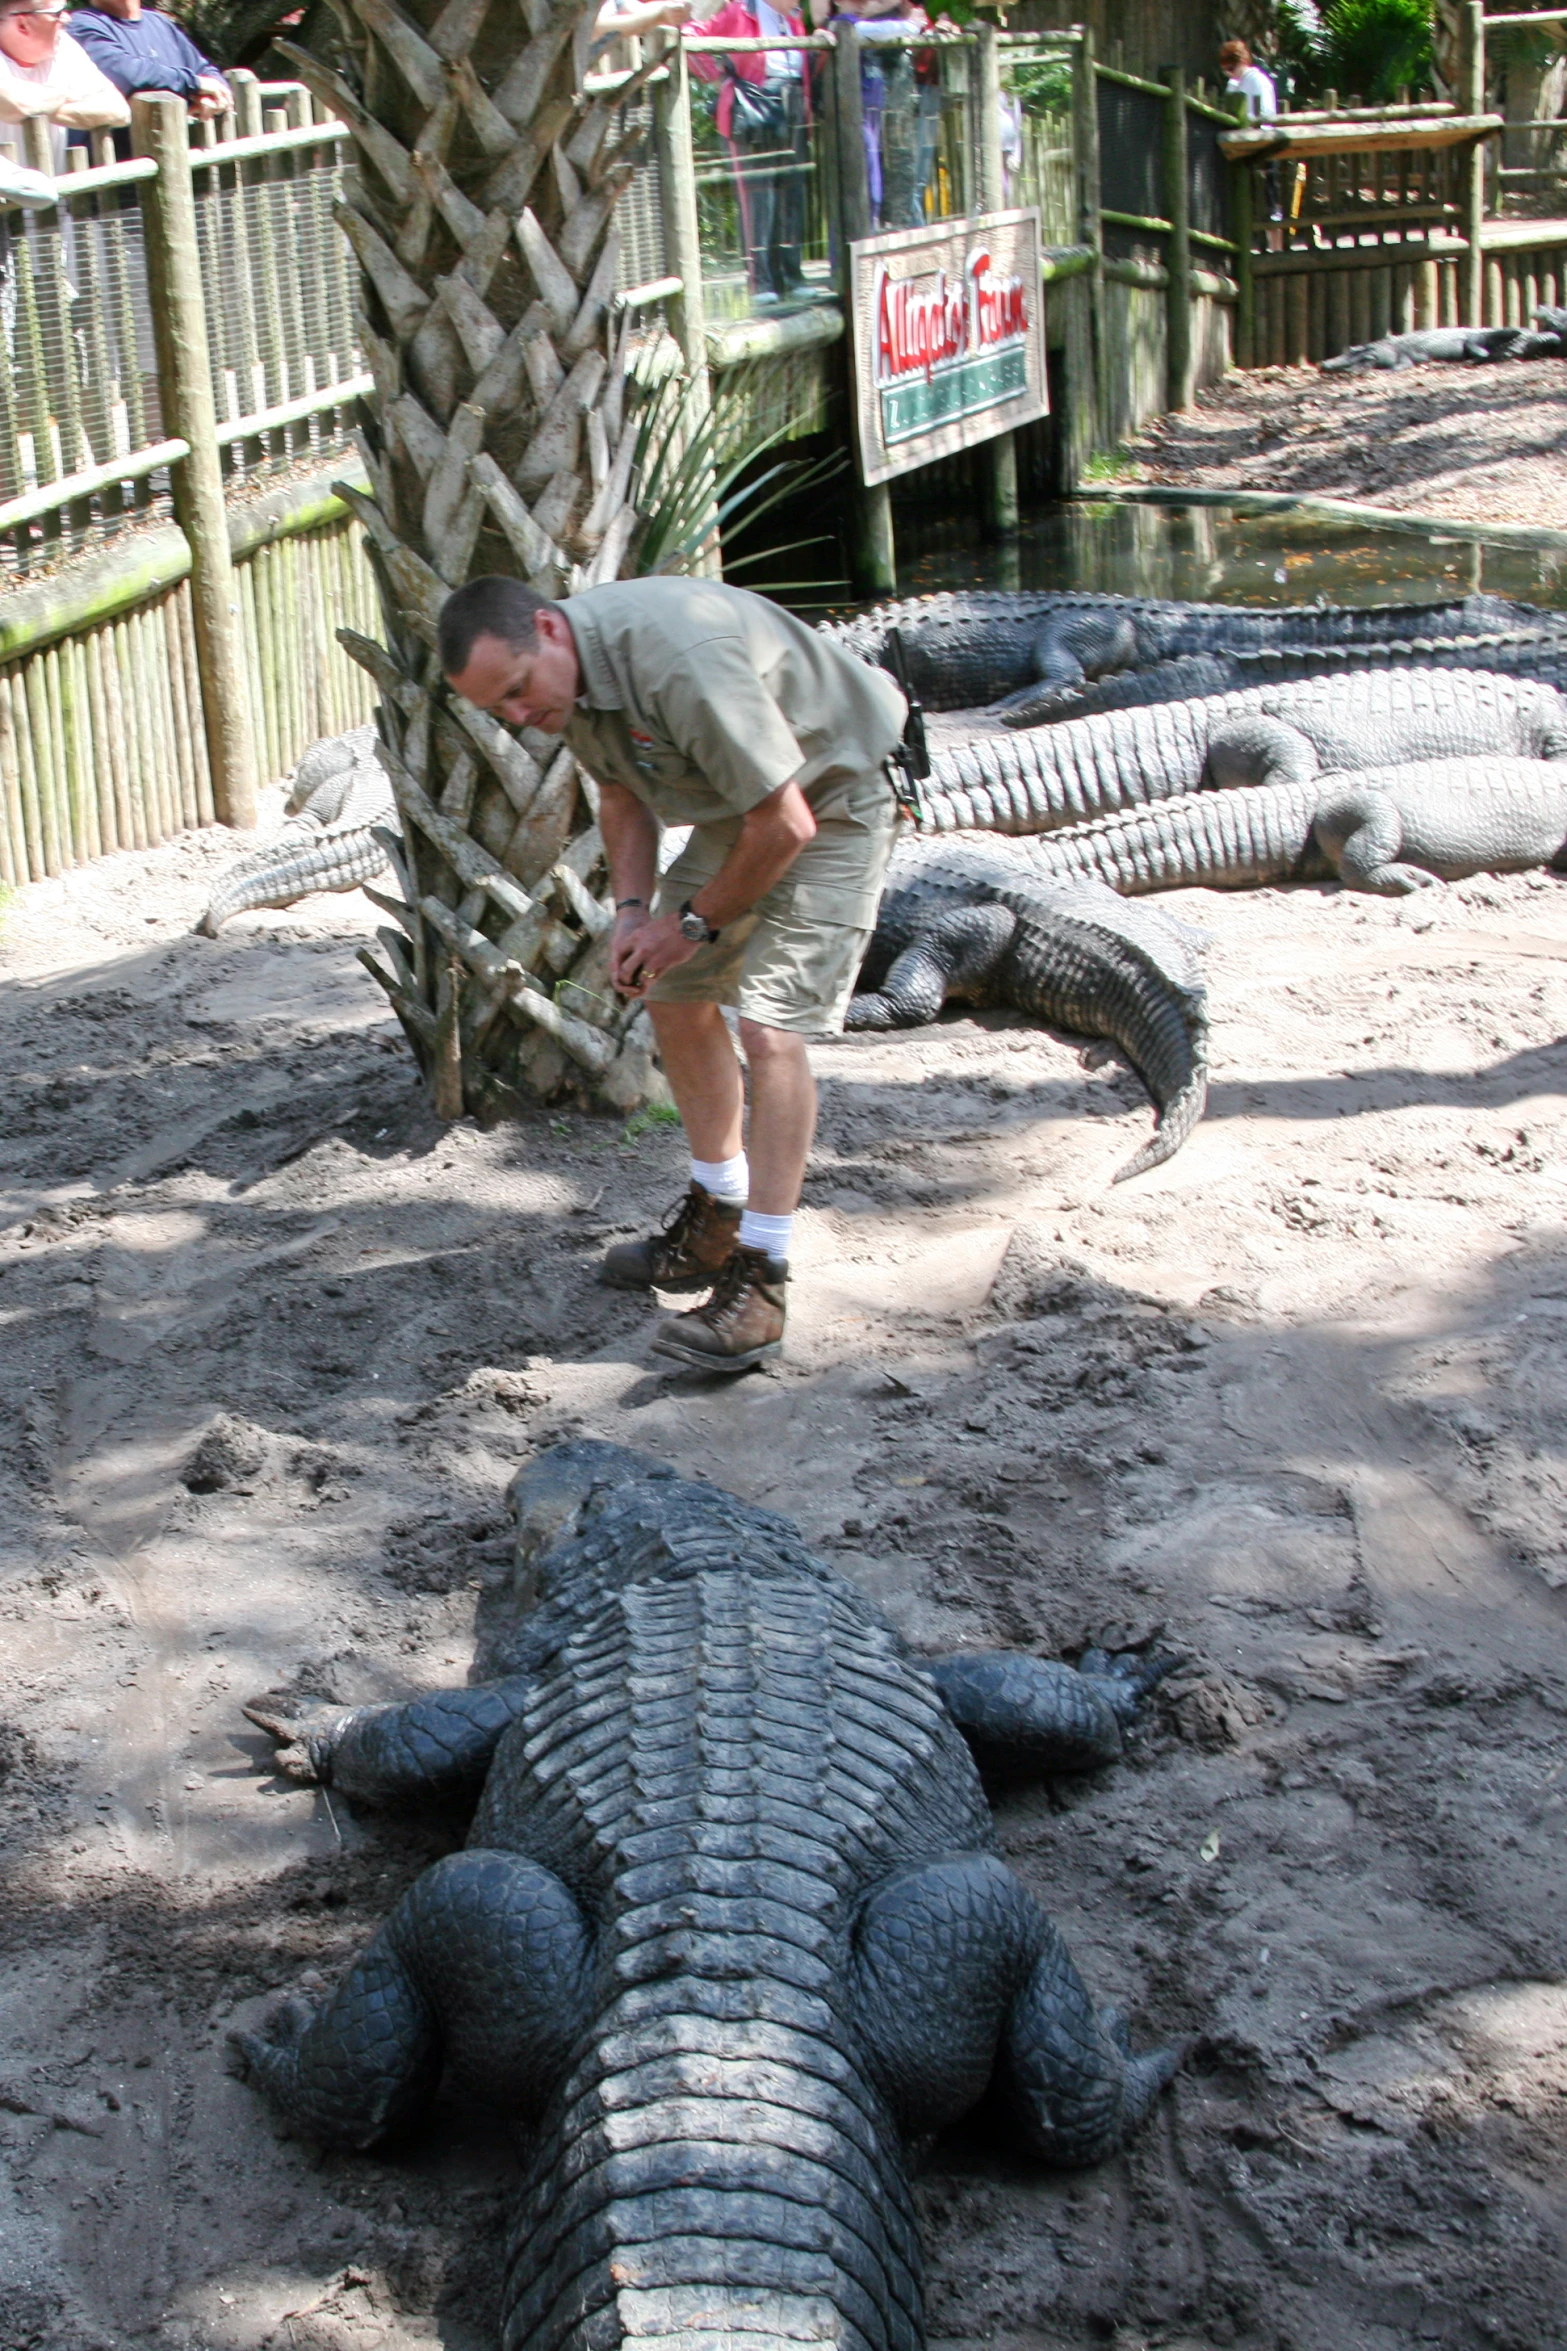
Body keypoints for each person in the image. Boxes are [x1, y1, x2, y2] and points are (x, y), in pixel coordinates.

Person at [438, 574, 907, 1375]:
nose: (519, 718)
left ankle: (761, 1282)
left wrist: (688, 925)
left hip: (835, 797)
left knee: (769, 1027)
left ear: (549, 630)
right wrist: (630, 913)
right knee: (673, 994)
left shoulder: (672, 659)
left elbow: (788, 821)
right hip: (750, 809)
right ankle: (716, 1216)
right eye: (499, 710)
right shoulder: (569, 683)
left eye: (517, 691)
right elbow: (620, 793)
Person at [688, 0, 812, 306]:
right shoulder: (738, 10)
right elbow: (690, 36)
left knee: (791, 195)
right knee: (759, 197)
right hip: (753, 106)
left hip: (792, 104)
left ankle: (792, 276)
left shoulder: (795, 17)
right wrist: (718, 78)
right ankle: (761, 282)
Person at [0, 0, 127, 174]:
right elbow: (15, 103)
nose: (68, 19)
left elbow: (119, 110)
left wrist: (42, 107)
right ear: (23, 24)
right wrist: (67, 95)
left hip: (58, 195)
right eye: (56, 14)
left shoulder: (62, 45)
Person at [66, 0, 232, 124]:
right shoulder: (81, 25)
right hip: (125, 163)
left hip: (185, 155)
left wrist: (211, 96)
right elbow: (126, 74)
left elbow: (205, 70)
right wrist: (194, 84)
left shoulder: (159, 22)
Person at [1219, 37, 1277, 123]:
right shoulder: (1233, 84)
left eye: (1231, 69)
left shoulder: (1257, 79)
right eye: (1225, 71)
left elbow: (1266, 113)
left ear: (1242, 61)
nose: (1229, 74)